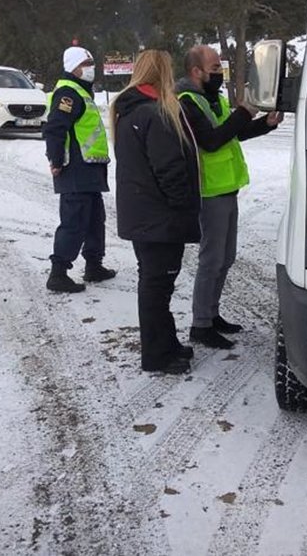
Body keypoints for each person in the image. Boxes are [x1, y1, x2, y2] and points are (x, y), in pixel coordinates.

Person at [177, 46, 282, 351]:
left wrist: (265, 123)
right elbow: (211, 141)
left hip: (227, 187)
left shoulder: (211, 99)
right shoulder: (187, 102)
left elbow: (234, 132)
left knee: (226, 257)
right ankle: (200, 324)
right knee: (211, 259)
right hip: (209, 191)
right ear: (196, 71)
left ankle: (211, 314)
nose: (219, 72)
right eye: (213, 67)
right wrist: (244, 112)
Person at [111, 50, 200, 374]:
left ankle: (166, 342)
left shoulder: (129, 111)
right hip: (159, 216)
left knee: (155, 283)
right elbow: (169, 168)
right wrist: (182, 205)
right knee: (156, 285)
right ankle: (156, 354)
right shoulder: (154, 113)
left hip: (142, 213)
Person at [43, 45, 116, 293]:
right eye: (85, 64)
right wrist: (55, 160)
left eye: (91, 63)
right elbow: (55, 128)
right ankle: (59, 272)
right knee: (74, 221)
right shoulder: (68, 93)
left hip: (90, 168)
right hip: (74, 167)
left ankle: (94, 265)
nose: (90, 69)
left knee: (95, 219)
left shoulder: (82, 92)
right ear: (73, 67)